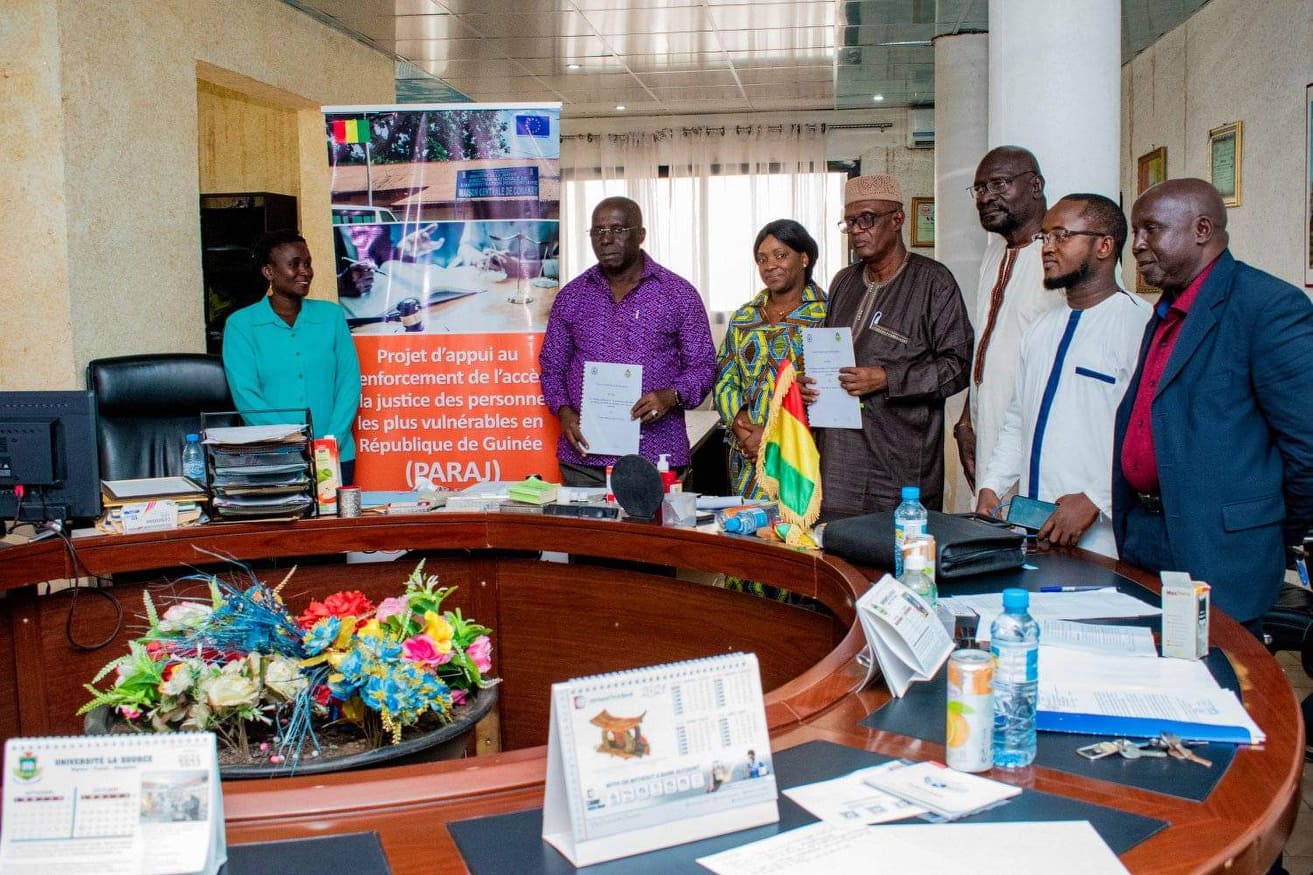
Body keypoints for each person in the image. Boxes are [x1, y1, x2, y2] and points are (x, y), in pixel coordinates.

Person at [1113, 178, 1313, 627]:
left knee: (1218, 669)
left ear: (1201, 229)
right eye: (1136, 231)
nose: (1137, 245)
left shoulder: (1268, 306)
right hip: (1146, 536)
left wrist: (1262, 532)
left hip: (1221, 553)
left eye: (1151, 229)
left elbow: (1308, 449)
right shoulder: (1165, 311)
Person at [976, 195, 1151, 557]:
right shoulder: (1041, 329)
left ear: (1104, 246)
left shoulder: (1138, 324)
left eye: (1062, 236)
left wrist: (1095, 499)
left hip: (1103, 537)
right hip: (1034, 530)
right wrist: (992, 485)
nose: (1047, 247)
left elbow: (1150, 432)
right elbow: (1018, 420)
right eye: (1045, 237)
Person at [806, 175, 973, 515]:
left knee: (899, 546)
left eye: (867, 219)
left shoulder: (933, 281)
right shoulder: (843, 281)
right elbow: (831, 352)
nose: (857, 230)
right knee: (833, 544)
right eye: (850, 222)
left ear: (897, 219)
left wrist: (887, 378)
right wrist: (809, 382)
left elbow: (958, 366)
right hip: (839, 462)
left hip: (900, 466)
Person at [539, 196, 716, 486]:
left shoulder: (678, 294)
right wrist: (563, 410)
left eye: (618, 229)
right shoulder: (572, 296)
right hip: (585, 458)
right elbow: (552, 366)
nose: (606, 239)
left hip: (657, 456)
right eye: (598, 231)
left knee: (659, 519)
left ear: (641, 235)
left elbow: (704, 366)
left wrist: (671, 396)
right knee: (583, 520)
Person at [954, 147, 1063, 493]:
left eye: (999, 184)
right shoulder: (994, 253)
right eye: (980, 189)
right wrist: (966, 421)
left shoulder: (1062, 257)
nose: (986, 197)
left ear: (1035, 185)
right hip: (988, 427)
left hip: (1039, 437)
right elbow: (987, 346)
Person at [223, 229, 363, 484]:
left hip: (335, 453)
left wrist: (330, 440)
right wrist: (291, 440)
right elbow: (246, 395)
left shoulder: (331, 316)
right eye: (294, 264)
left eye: (307, 263)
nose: (304, 271)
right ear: (269, 272)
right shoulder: (241, 325)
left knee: (333, 512)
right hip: (272, 456)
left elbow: (349, 383)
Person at [714, 220, 827, 499]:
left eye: (780, 255)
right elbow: (724, 380)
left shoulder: (828, 314)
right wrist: (745, 433)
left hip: (800, 456)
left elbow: (830, 389)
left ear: (804, 258)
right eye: (762, 259)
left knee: (797, 526)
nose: (769, 266)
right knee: (748, 524)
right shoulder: (744, 317)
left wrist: (771, 437)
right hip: (748, 457)